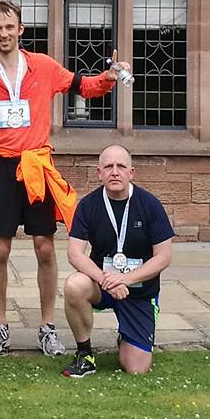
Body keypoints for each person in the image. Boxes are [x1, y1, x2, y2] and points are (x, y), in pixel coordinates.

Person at [0, 0, 130, 357]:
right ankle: (0, 324)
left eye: (10, 27)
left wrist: (109, 77)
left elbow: (84, 87)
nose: (4, 33)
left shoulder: (42, 65)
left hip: (36, 166)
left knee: (44, 247)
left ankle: (46, 326)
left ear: (21, 29)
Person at [62, 144, 174, 377]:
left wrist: (126, 278)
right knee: (74, 285)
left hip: (139, 290)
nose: (115, 172)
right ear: (99, 173)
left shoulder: (149, 204)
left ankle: (127, 334)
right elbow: (74, 253)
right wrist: (106, 281)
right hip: (103, 285)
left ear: (131, 172)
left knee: (136, 368)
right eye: (108, 167)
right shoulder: (88, 205)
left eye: (121, 166)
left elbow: (163, 256)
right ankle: (85, 354)